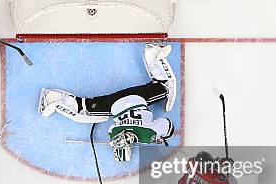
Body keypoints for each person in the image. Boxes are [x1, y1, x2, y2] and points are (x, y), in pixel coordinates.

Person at [39, 43, 177, 161]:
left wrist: (157, 137)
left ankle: (153, 54)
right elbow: (118, 143)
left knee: (164, 86)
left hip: (137, 97)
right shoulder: (116, 132)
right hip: (114, 103)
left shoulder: (148, 134)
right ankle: (53, 98)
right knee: (83, 112)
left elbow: (167, 124)